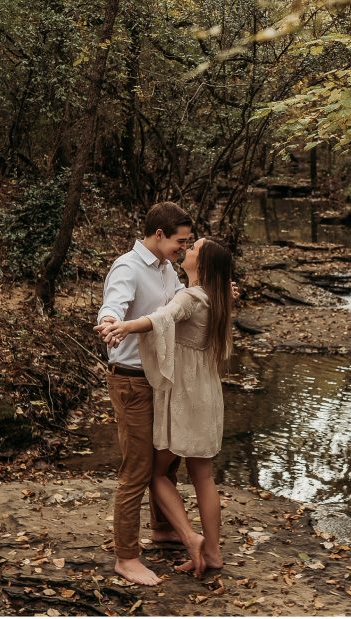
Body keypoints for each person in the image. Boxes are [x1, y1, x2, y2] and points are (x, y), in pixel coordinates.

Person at [98, 237, 233, 578]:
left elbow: (163, 317)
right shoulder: (217, 297)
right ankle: (213, 553)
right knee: (203, 475)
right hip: (208, 394)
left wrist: (126, 326)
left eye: (194, 248)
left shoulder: (190, 296)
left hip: (185, 395)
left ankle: (190, 537)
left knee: (155, 473)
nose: (187, 249)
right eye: (186, 242)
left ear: (202, 264)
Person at [94, 202, 193, 586]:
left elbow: (182, 307)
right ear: (159, 234)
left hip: (161, 378)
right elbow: (113, 305)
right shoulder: (128, 267)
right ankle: (126, 557)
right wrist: (109, 322)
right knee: (136, 469)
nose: (184, 248)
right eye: (180, 241)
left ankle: (163, 529)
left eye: (187, 243)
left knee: (167, 460)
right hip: (132, 381)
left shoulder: (167, 268)